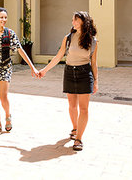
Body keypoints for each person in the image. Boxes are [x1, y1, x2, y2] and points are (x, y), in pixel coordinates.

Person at [38, 11, 98, 151]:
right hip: (69, 72)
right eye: (72, 20)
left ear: (84, 21)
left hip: (85, 73)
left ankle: (79, 139)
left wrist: (95, 81)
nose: (73, 23)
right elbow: (58, 56)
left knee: (83, 108)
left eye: (76, 20)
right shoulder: (68, 38)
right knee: (72, 105)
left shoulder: (92, 41)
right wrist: (44, 70)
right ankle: (75, 128)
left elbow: (94, 63)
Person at [0, 7, 39, 137]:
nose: (4, 20)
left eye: (5, 17)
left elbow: (20, 50)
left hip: (5, 66)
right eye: (1, 17)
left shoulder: (10, 33)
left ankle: (8, 115)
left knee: (3, 96)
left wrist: (32, 67)